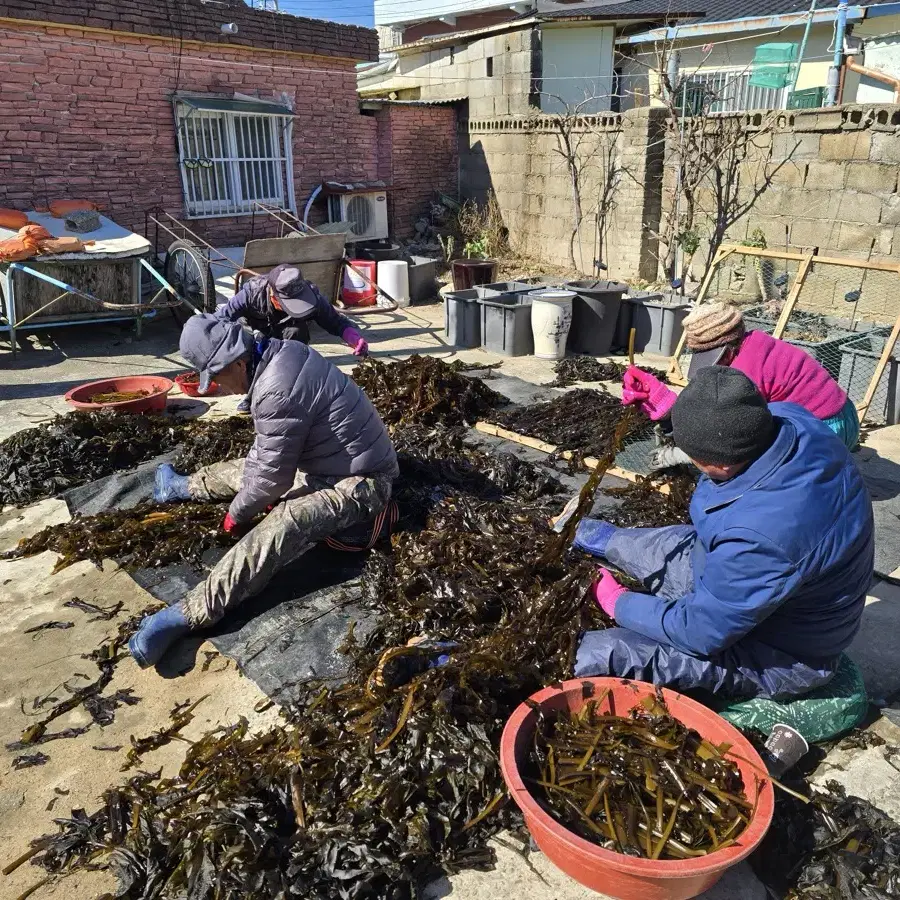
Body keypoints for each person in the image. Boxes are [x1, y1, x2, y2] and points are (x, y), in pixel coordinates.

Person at [573, 366, 873, 701]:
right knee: (665, 545)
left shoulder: (761, 538)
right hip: (748, 580)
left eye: (696, 457)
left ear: (722, 465)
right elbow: (726, 428)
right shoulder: (787, 419)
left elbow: (699, 632)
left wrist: (620, 604)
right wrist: (673, 410)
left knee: (607, 650)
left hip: (777, 653)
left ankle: (592, 647)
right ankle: (595, 536)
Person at [128, 314, 398, 669]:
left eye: (217, 378)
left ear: (238, 361)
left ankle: (189, 614)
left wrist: (236, 515)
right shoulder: (278, 354)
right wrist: (249, 495)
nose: (216, 388)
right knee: (250, 466)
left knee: (285, 521)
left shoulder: (276, 388)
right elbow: (265, 459)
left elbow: (273, 481)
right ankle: (182, 485)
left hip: (362, 482)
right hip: (328, 464)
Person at [624, 301, 860, 466]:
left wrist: (680, 454)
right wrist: (665, 402)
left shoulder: (747, 371)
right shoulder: (755, 341)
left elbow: (728, 434)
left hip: (828, 429)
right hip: (844, 410)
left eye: (716, 355)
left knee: (756, 456)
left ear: (730, 344)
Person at [215, 263, 369, 412]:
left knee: (296, 332)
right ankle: (253, 394)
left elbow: (334, 320)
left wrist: (353, 337)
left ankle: (293, 388)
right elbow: (220, 320)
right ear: (273, 297)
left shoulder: (310, 294)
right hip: (254, 331)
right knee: (256, 344)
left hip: (288, 332)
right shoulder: (250, 293)